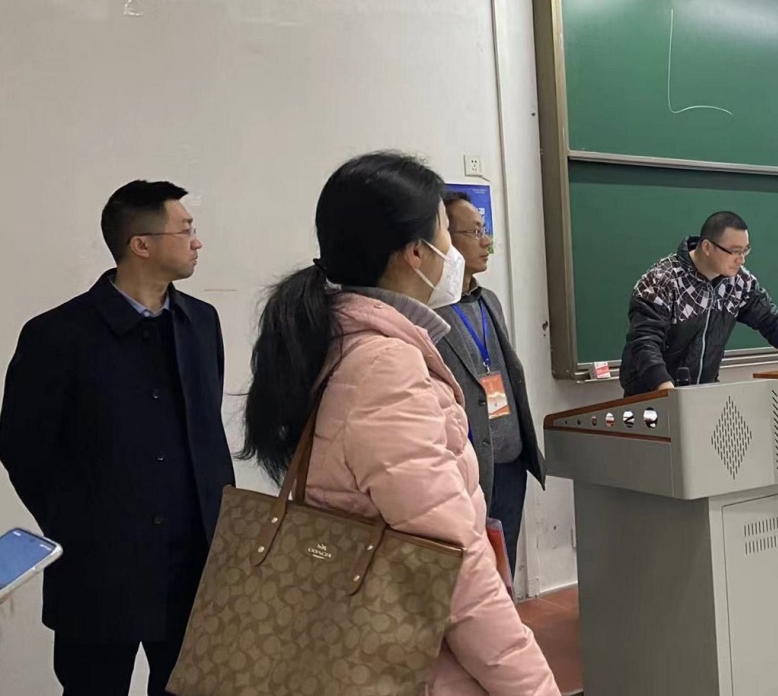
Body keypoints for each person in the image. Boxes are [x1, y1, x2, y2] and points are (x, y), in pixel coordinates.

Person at [240, 153, 559, 696]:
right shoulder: (385, 367)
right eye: (446, 233)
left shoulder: (343, 341)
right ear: (415, 253)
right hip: (415, 658)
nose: (455, 252)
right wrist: (534, 688)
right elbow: (455, 569)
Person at [0, 181, 233, 696]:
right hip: (99, 571)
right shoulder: (56, 335)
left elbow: (205, 432)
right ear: (141, 244)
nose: (197, 241)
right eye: (185, 230)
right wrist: (79, 524)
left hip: (194, 566)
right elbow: (22, 448)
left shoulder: (201, 323)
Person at [434, 192, 545, 573]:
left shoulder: (489, 301)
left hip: (510, 461)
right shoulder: (430, 312)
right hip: (467, 468)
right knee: (470, 572)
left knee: (503, 564)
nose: (487, 242)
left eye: (485, 230)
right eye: (476, 232)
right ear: (445, 240)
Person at [620, 211, 778, 397]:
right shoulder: (662, 281)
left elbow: (770, 320)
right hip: (651, 398)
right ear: (707, 247)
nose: (741, 259)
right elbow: (644, 341)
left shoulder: (739, 282)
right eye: (734, 251)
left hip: (705, 394)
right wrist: (667, 390)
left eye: (745, 250)